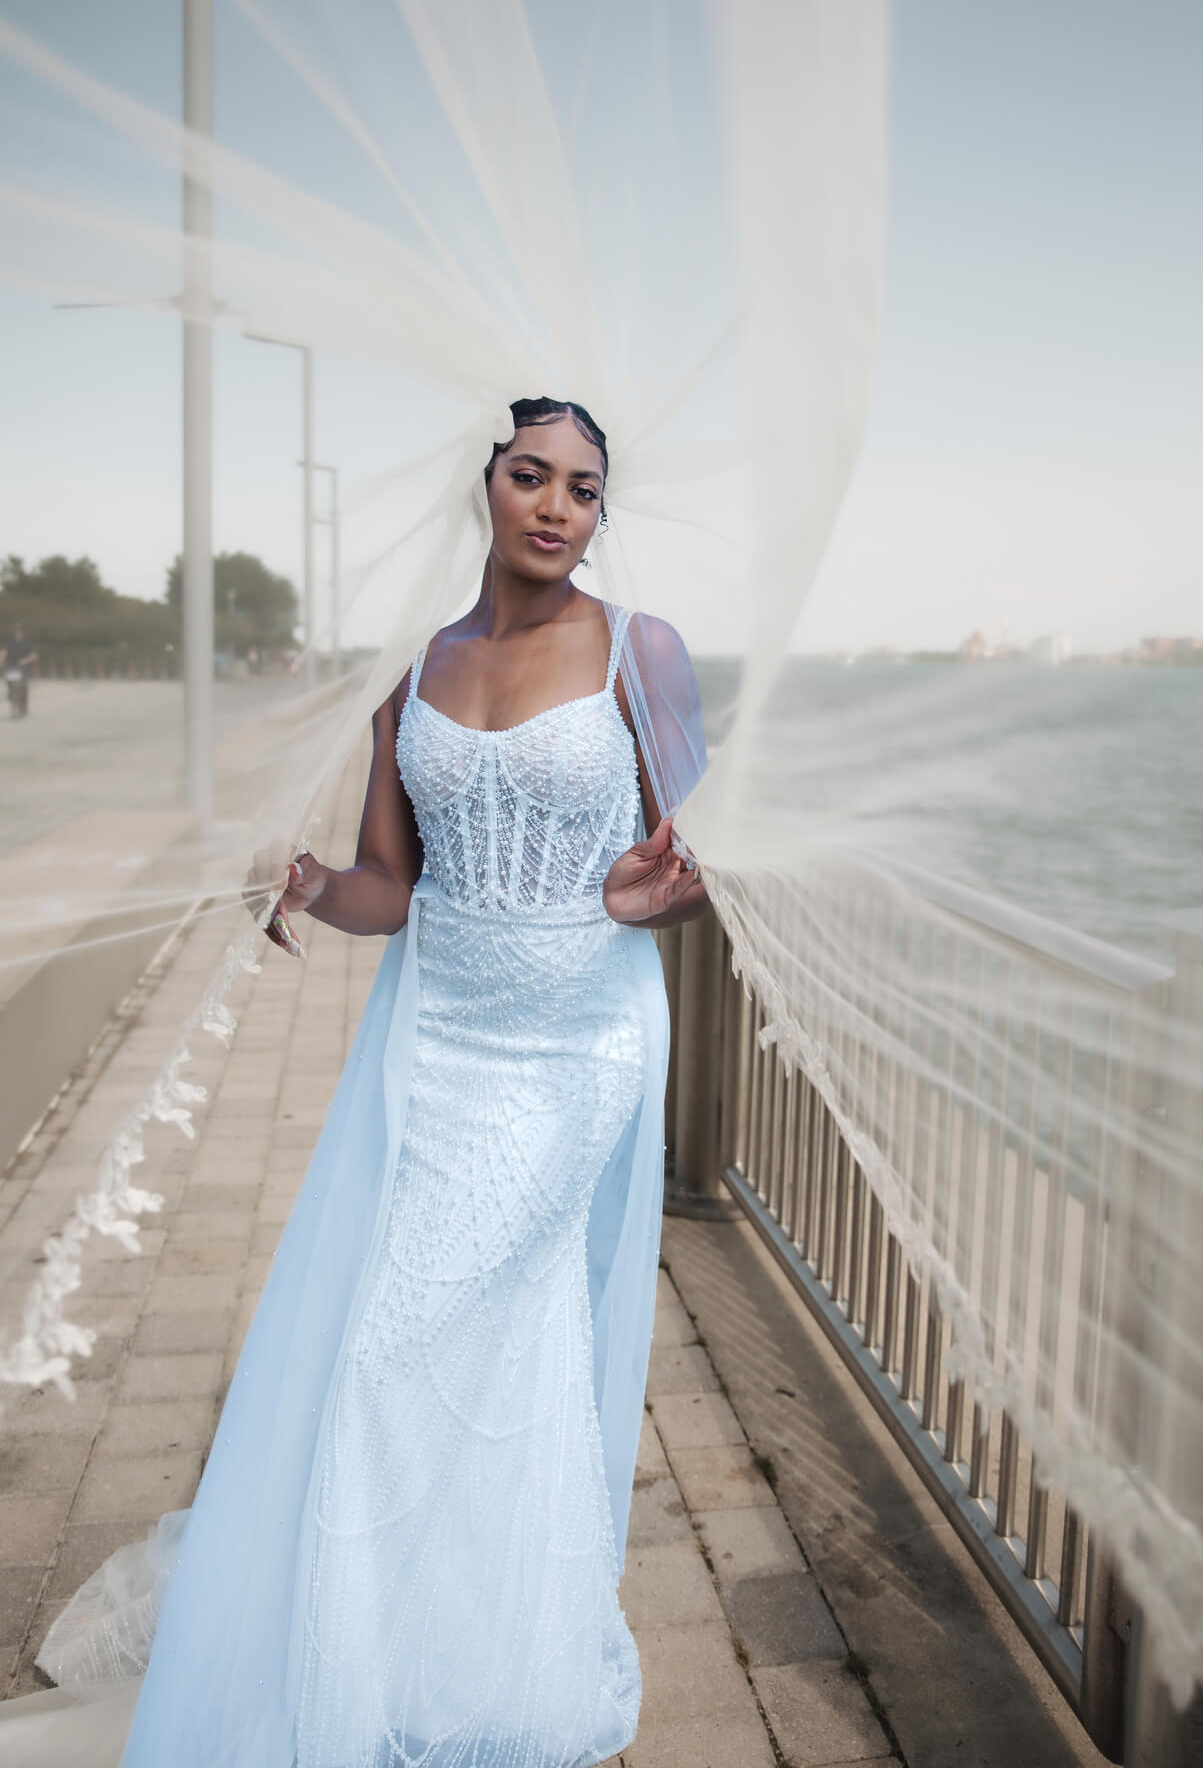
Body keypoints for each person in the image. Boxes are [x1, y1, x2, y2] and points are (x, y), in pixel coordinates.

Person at [5, 398, 708, 1768]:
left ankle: (397, 1656)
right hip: (437, 1043)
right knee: (476, 1346)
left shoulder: (643, 653)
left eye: (583, 487)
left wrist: (648, 898)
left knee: (396, 1341)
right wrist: (316, 882)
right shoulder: (414, 669)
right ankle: (456, 1633)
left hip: (578, 1044)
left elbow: (696, 864)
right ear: (485, 489)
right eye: (530, 476)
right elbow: (393, 885)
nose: (558, 505)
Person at [1, 623, 36, 718]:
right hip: (11, 668)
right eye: (15, 631)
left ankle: (23, 706)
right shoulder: (8, 642)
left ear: (22, 632)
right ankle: (13, 703)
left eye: (19, 631)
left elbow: (33, 655)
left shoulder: (27, 642)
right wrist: (1, 661)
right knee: (10, 687)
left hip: (23, 669)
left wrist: (25, 660)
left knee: (23, 687)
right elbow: (3, 652)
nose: (17, 633)